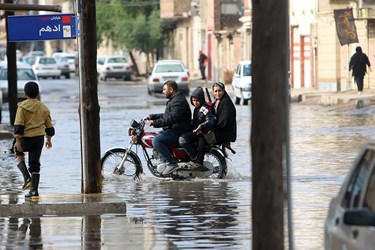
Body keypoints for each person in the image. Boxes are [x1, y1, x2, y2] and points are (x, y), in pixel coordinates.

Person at [13, 81, 55, 199]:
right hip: (38, 139)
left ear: (25, 93)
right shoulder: (44, 108)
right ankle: (34, 191)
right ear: (37, 93)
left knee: (17, 151)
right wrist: (49, 139)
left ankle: (26, 177)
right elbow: (49, 128)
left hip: (25, 139)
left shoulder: (21, 107)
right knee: (35, 163)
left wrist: (17, 141)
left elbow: (19, 126)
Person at [146, 80, 192, 175]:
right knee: (154, 136)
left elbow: (172, 118)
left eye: (164, 89)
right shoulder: (174, 99)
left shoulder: (178, 101)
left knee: (156, 141)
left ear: (171, 90)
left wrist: (154, 123)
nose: (163, 91)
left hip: (179, 131)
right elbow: (167, 115)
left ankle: (171, 163)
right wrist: (153, 116)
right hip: (173, 129)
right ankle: (163, 159)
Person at [178, 87, 216, 170]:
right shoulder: (196, 109)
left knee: (182, 139)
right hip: (195, 131)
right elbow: (195, 122)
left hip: (202, 133)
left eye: (197, 100)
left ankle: (195, 160)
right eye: (193, 101)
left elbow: (211, 120)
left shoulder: (205, 108)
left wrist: (202, 126)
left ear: (201, 99)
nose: (195, 103)